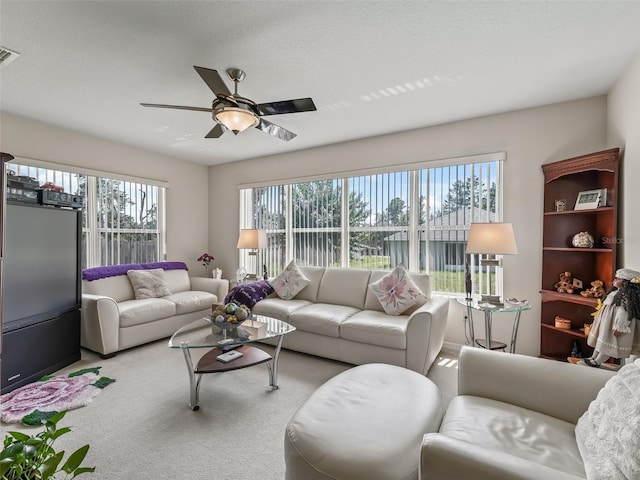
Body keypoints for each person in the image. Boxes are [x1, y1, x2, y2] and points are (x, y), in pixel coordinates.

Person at [578, 268, 640, 367]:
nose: (615, 280)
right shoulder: (615, 293)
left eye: (619, 279)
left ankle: (597, 361)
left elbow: (623, 313)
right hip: (607, 322)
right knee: (602, 342)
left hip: (614, 323)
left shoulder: (626, 297)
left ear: (626, 283)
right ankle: (594, 357)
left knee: (608, 344)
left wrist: (620, 326)